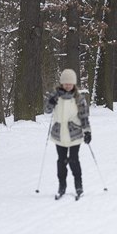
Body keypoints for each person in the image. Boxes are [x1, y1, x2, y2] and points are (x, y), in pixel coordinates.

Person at [44, 69, 91, 198]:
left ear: (74, 84)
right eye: (65, 83)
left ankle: (78, 185)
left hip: (74, 133)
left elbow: (84, 117)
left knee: (74, 160)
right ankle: (62, 186)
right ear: (62, 84)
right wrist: (51, 102)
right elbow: (47, 110)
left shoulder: (78, 98)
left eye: (70, 83)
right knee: (61, 161)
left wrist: (87, 132)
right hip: (59, 134)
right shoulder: (55, 96)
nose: (68, 85)